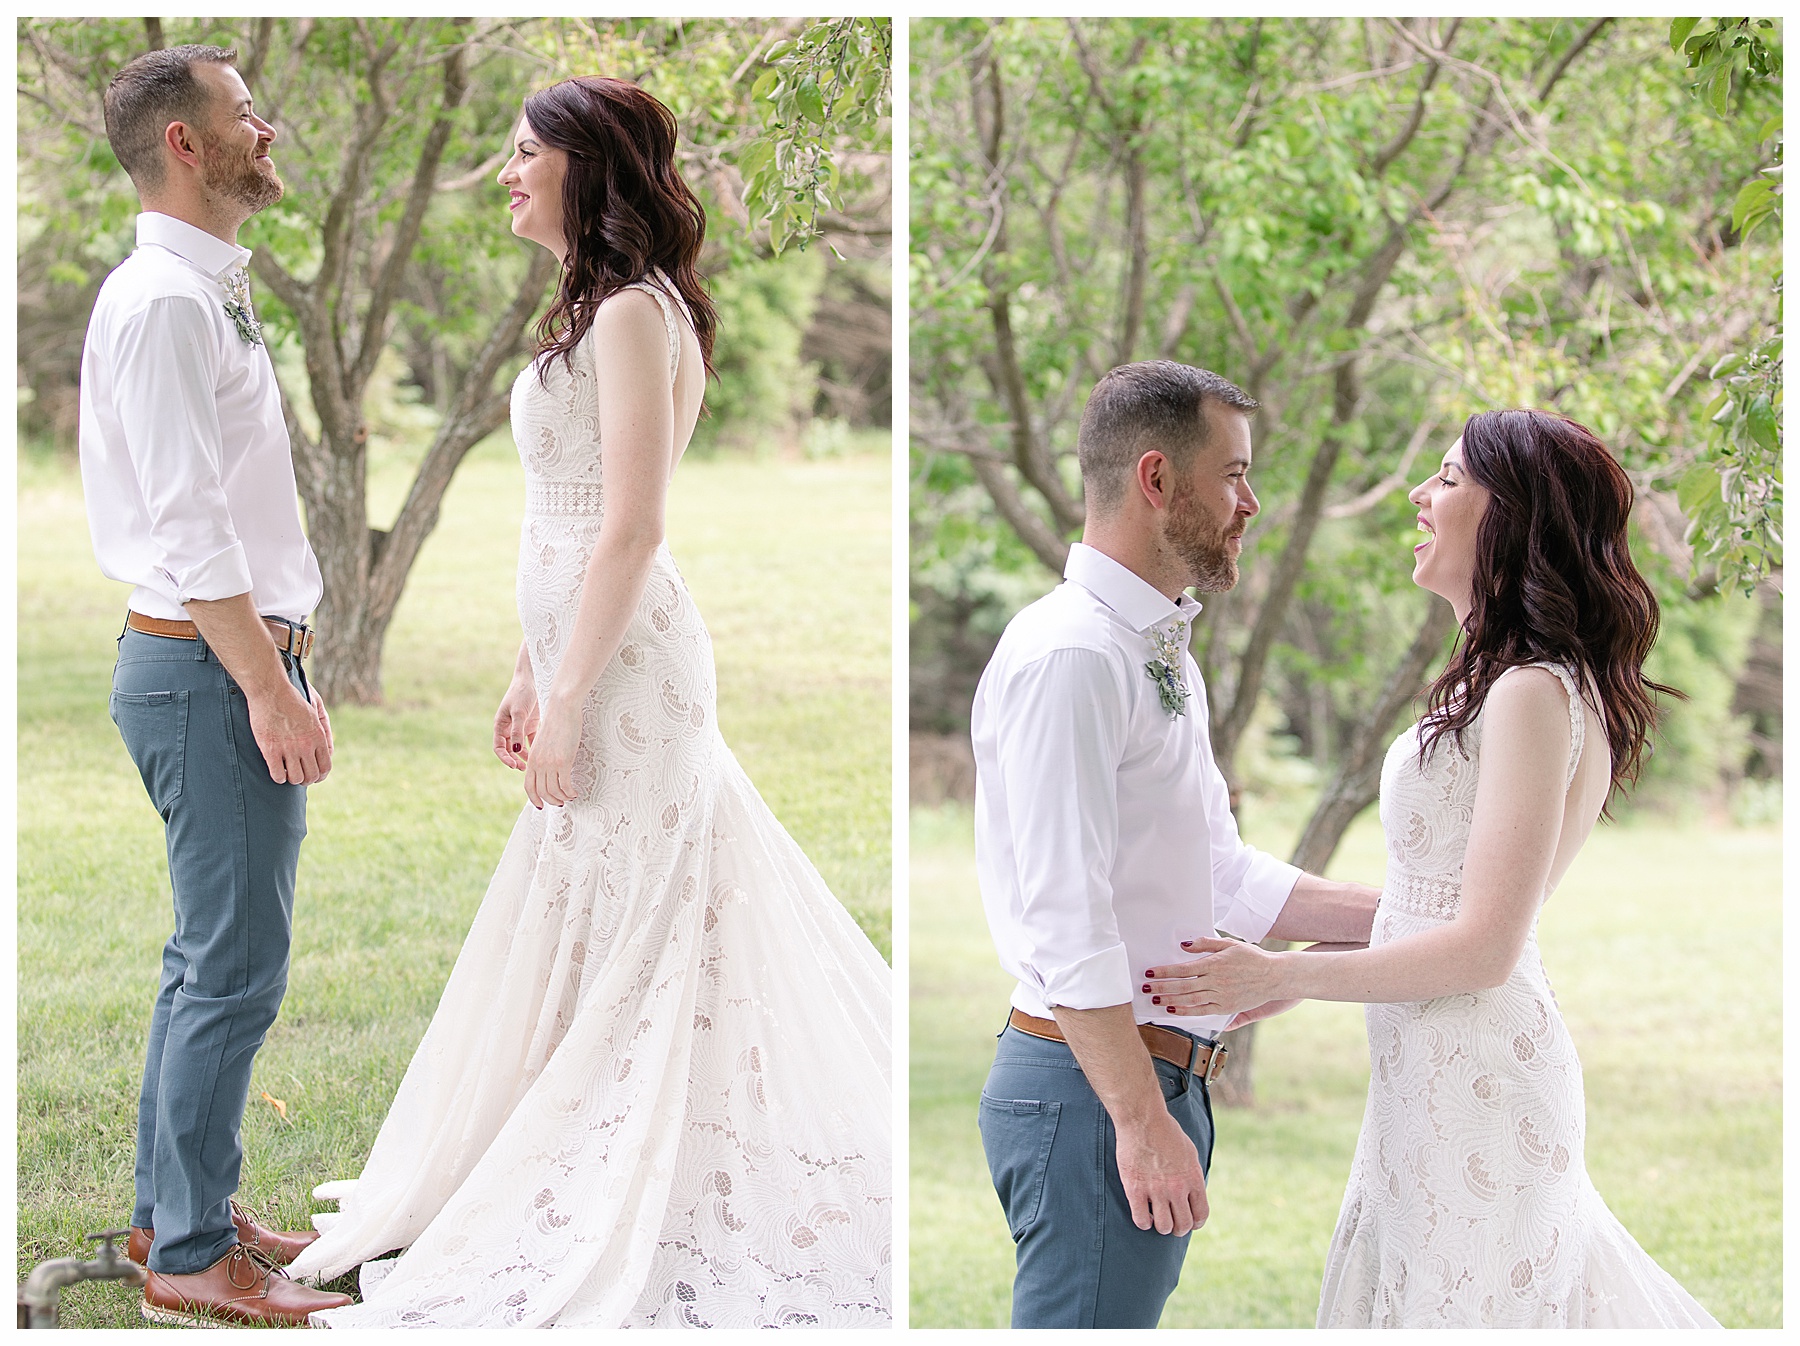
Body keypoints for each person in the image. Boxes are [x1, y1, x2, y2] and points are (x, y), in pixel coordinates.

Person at [285, 76, 892, 1328]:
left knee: (645, 920)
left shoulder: (630, 315)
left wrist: (568, 695)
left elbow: (631, 526)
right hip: (579, 653)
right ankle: (525, 1154)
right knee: (587, 912)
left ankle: (622, 1174)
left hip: (630, 672)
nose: (506, 172)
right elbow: (558, 523)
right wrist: (529, 666)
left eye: (524, 153)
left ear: (587, 164)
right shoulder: (597, 308)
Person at [1152, 410, 1720, 1327]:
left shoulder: (1534, 690)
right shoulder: (1503, 680)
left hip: (1483, 1076)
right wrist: (1312, 977)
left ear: (1513, 517)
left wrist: (1282, 968)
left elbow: (1488, 943)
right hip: (1432, 1064)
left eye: (1449, 480)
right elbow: (1443, 904)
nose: (1420, 495)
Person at [969, 360, 1382, 1329]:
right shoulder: (1074, 656)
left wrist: (1408, 914)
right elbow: (1066, 917)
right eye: (1233, 473)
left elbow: (1221, 874)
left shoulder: (1156, 649)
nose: (1253, 501)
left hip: (1146, 1084)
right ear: (1158, 480)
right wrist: (1141, 1122)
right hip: (1094, 1094)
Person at [78, 44, 353, 1327]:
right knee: (235, 965)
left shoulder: (206, 288)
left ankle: (172, 1206)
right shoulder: (165, 303)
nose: (271, 129)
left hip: (218, 660)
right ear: (187, 145)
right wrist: (269, 684)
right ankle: (190, 1253)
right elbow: (189, 527)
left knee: (211, 960)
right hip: (202, 669)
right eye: (249, 115)